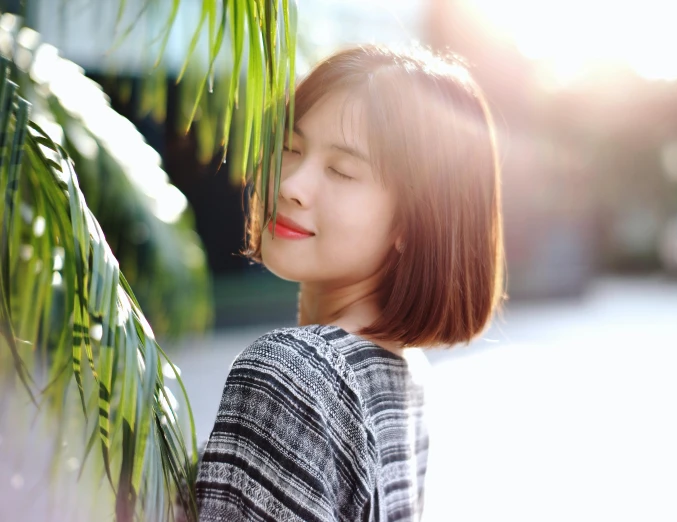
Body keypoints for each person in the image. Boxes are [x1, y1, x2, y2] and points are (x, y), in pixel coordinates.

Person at [194, 44, 505, 522]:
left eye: (341, 171)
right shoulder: (404, 373)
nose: (290, 184)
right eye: (291, 148)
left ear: (413, 222)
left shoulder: (294, 374)